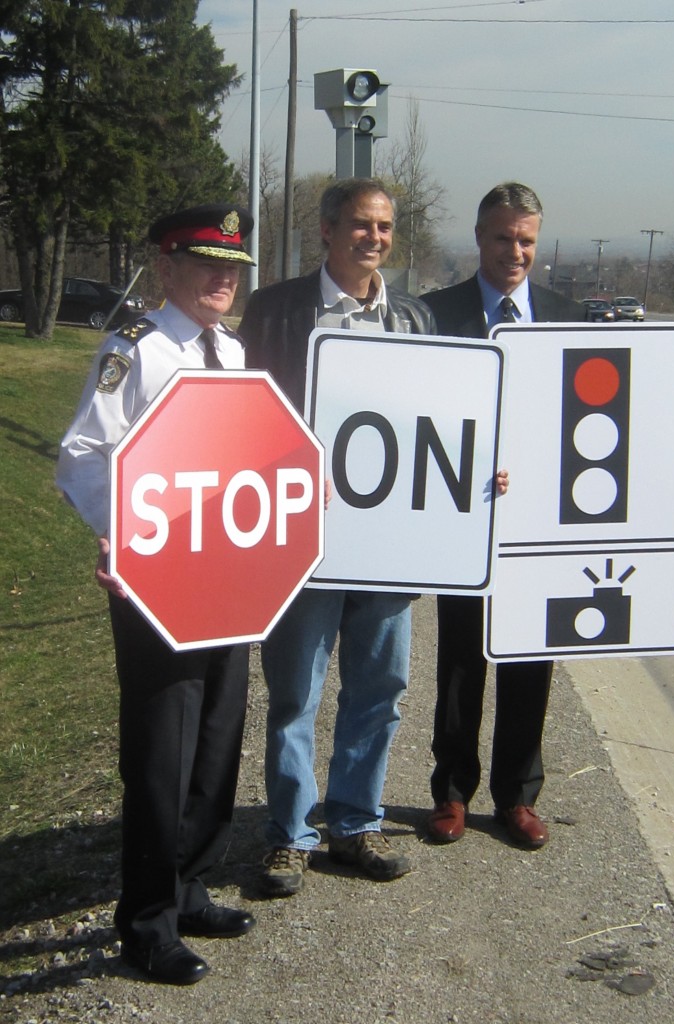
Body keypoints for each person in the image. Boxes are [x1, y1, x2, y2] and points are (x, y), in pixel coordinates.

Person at [56, 204, 257, 985]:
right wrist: (123, 535)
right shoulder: (133, 350)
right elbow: (82, 456)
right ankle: (145, 923)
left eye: (232, 267)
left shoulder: (234, 353)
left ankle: (191, 886)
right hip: (156, 585)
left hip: (229, 581)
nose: (222, 278)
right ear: (165, 267)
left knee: (217, 735)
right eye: (205, 263)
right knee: (161, 752)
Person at [238, 178, 436, 897]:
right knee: (295, 693)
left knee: (380, 691)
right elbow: (243, 409)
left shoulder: (414, 317)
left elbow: (441, 420)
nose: (374, 238)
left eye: (384, 227)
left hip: (388, 546)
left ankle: (355, 823)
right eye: (360, 224)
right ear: (326, 229)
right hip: (303, 542)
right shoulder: (275, 310)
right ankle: (290, 834)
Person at [422, 182, 588, 850]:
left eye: (526, 240)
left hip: (543, 528)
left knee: (531, 657)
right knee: (461, 661)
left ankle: (517, 797)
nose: (514, 251)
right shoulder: (435, 315)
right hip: (466, 519)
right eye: (502, 237)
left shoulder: (570, 318)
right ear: (479, 238)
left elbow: (612, 413)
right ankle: (452, 791)